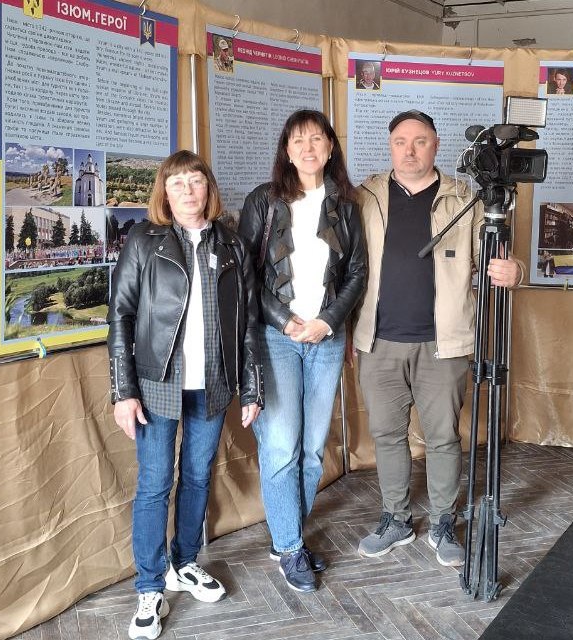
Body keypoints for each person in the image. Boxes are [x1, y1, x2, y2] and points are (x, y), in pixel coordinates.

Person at [353, 110, 521, 568]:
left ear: (436, 145)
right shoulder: (364, 197)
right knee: (387, 434)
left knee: (443, 437)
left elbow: (495, 259)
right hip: (378, 341)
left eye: (420, 141)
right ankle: (396, 519)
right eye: (400, 142)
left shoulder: (464, 198)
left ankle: (444, 521)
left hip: (442, 344)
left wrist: (514, 271)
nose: (409, 151)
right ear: (390, 146)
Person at [108, 150, 263, 640]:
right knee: (155, 484)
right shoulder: (144, 241)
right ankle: (150, 587)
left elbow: (249, 323)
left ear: (208, 189)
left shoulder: (233, 245)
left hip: (213, 383)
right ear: (165, 193)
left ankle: (185, 562)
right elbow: (120, 316)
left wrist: (252, 387)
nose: (188, 191)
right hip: (158, 384)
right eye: (177, 184)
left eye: (195, 181)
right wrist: (123, 391)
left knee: (197, 477)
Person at [239, 110, 366, 593]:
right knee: (280, 446)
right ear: (286, 151)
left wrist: (328, 321)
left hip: (327, 339)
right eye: (298, 140)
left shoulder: (346, 206)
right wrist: (284, 320)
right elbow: (246, 274)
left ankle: (285, 536)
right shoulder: (264, 201)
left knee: (313, 450)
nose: (308, 148)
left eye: (316, 139)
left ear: (330, 148)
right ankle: (291, 547)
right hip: (277, 338)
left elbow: (357, 273)